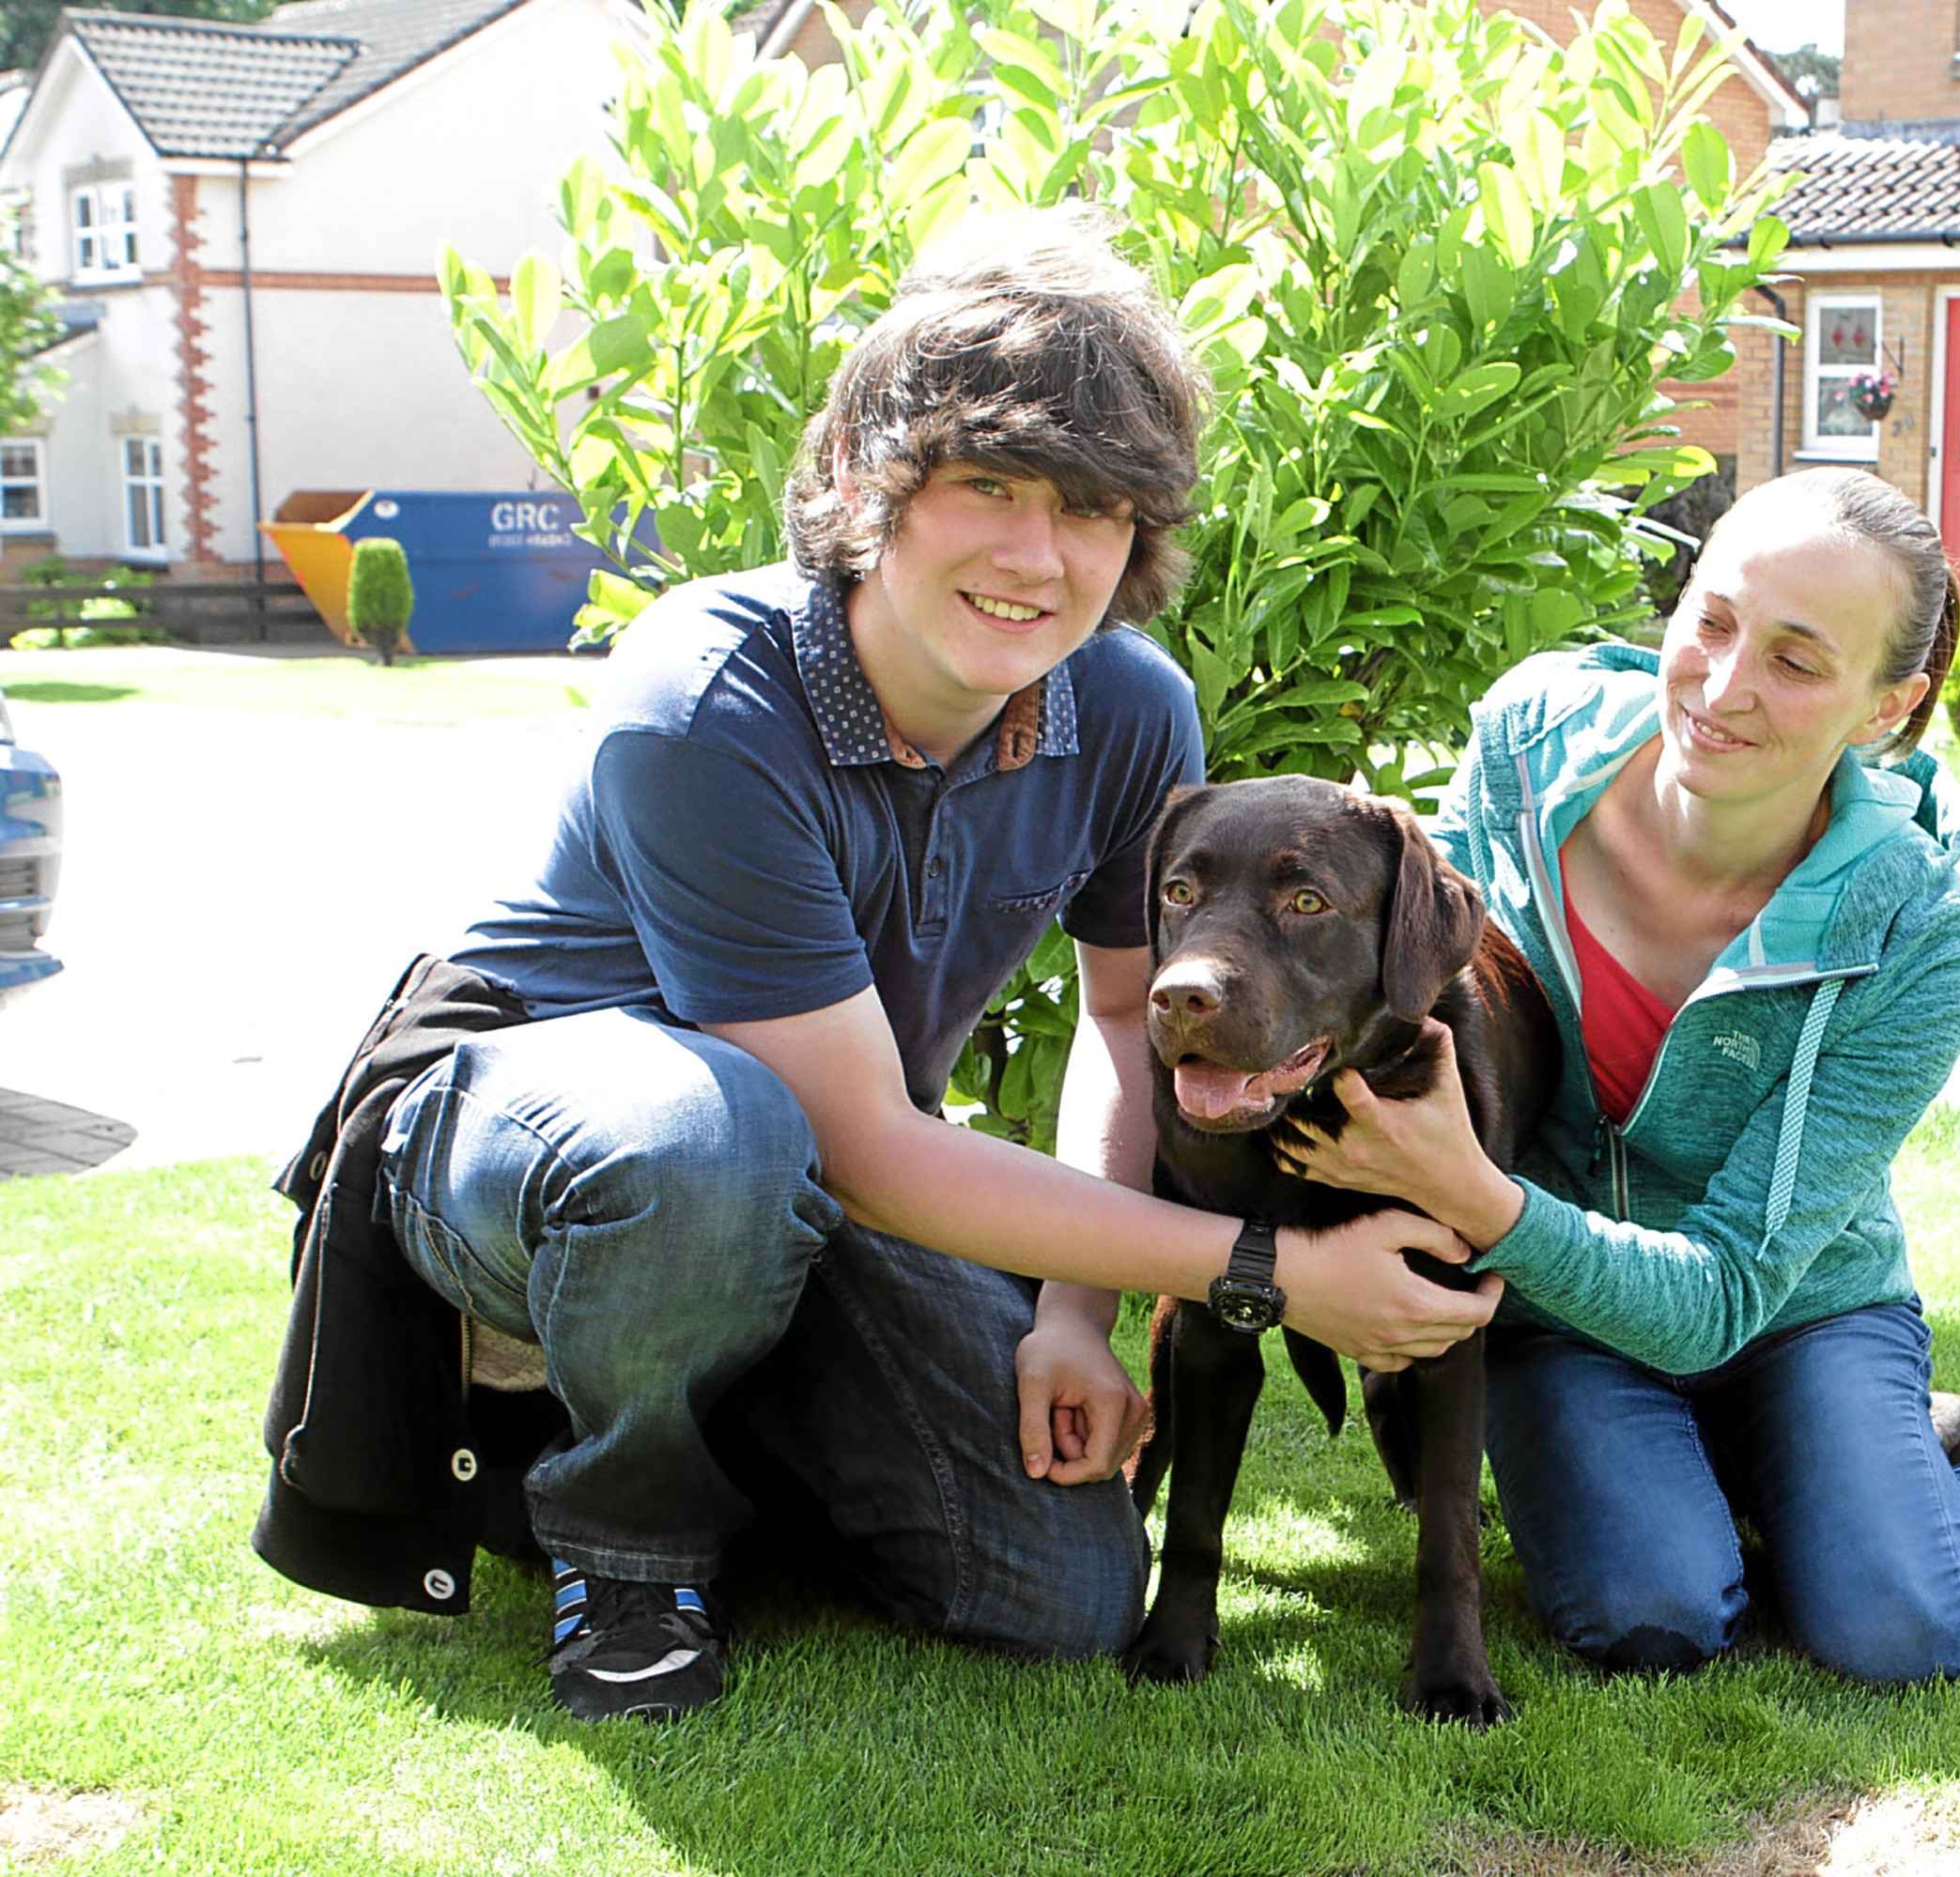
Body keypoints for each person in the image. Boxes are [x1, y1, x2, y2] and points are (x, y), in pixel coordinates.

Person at [254, 208, 1498, 1723]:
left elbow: (1123, 1016)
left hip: (810, 1166)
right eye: (987, 484)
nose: (1038, 557)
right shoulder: (705, 697)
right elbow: (855, 1136)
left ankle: (719, 1419)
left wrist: (1070, 1310)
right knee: (707, 1136)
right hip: (533, 1131)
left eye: (1095, 509)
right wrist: (1274, 1274)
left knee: (1060, 1592)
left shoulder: (1127, 713)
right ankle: (618, 1531)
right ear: (859, 466)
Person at [1282, 468, 1960, 1685]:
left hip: (1790, 1299)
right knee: (1652, 1617)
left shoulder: (1918, 930)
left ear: (1887, 706)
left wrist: (1478, 1199)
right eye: (1710, 621)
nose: (1724, 685)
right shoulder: (1527, 747)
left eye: (1800, 663)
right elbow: (1427, 983)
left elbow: (1723, 1295)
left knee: (1898, 1624)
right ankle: (1743, 1468)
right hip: (1556, 1308)